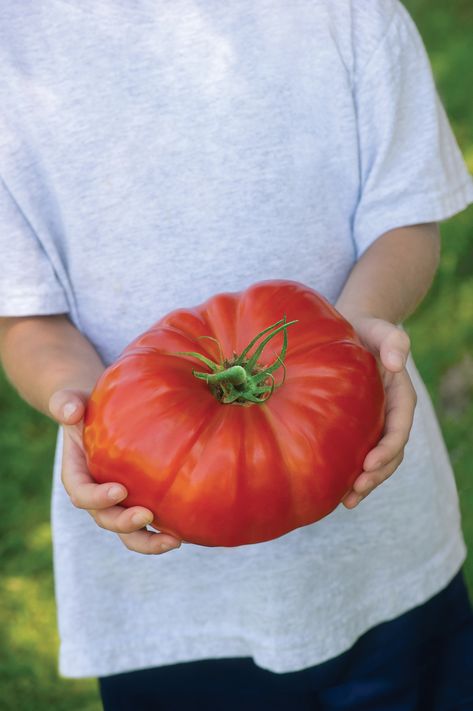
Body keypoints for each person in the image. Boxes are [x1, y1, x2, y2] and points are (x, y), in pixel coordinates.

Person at [1, 0, 472, 708]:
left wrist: (359, 329)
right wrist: (80, 402)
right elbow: (27, 318)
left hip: (382, 551)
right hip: (165, 597)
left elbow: (403, 220)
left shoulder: (347, 13)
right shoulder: (14, 50)